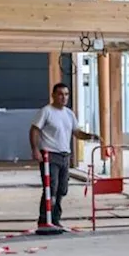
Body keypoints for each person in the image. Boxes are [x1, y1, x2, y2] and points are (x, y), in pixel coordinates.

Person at [29, 83, 97, 230]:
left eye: (66, 94)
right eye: (60, 94)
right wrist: (35, 149)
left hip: (65, 156)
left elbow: (76, 132)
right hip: (50, 155)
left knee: (62, 189)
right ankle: (44, 220)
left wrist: (90, 136)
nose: (63, 97)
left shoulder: (69, 114)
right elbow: (34, 130)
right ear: (53, 95)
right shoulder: (46, 111)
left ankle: (55, 219)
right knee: (50, 188)